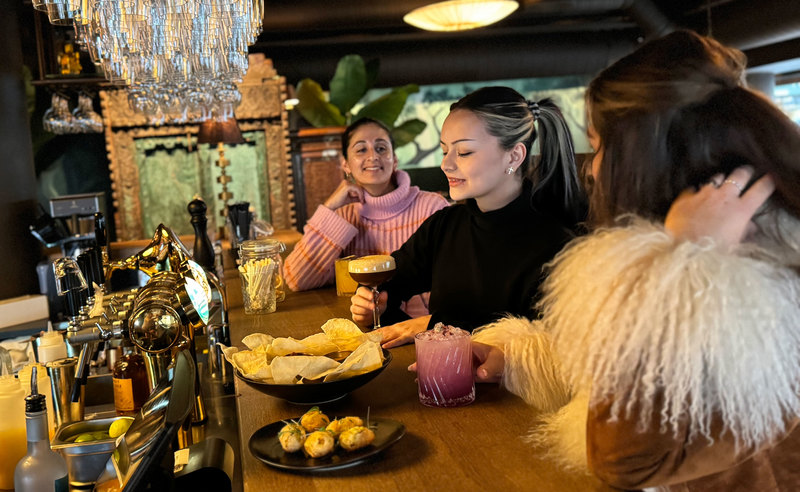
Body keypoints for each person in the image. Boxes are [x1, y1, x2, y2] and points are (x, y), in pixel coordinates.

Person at [470, 30, 800, 491]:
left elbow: (624, 458)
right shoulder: (752, 261)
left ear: (644, 158)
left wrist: (680, 264)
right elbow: (615, 367)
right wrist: (517, 357)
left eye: (599, 146)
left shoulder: (761, 300)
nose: (592, 167)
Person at [351, 86, 587, 347]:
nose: (446, 164)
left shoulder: (558, 247)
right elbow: (390, 279)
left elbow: (542, 342)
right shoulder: (444, 226)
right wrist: (371, 302)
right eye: (444, 151)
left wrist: (437, 325)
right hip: (435, 372)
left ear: (514, 156)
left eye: (463, 152)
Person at [283, 118, 448, 318]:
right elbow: (296, 279)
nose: (373, 156)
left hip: (423, 329)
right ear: (345, 164)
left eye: (381, 148)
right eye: (361, 150)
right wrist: (330, 207)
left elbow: (454, 283)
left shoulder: (432, 208)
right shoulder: (343, 216)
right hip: (363, 329)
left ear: (395, 160)